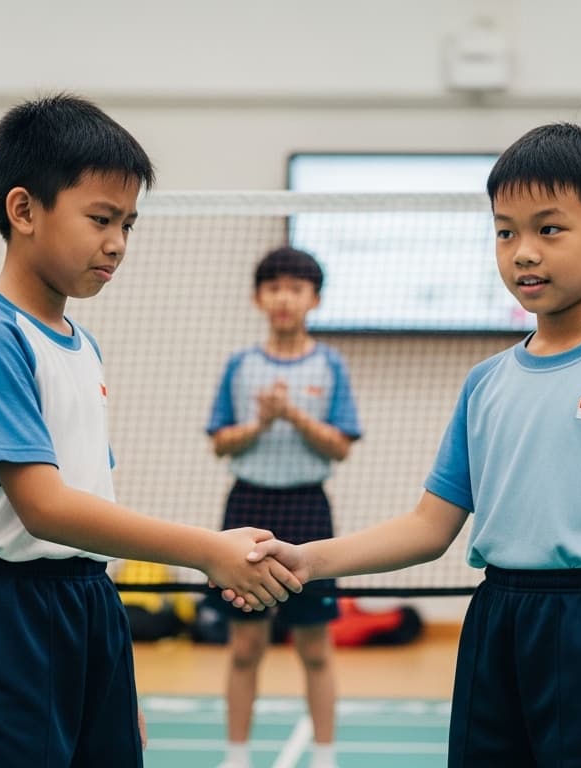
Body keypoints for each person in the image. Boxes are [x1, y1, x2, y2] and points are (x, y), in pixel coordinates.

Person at [242, 123, 581, 768]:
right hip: (496, 620)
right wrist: (308, 561)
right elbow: (429, 526)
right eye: (505, 231)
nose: (523, 252)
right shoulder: (485, 382)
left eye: (549, 229)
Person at [0, 93, 301, 768]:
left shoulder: (81, 345)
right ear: (24, 210)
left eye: (128, 223)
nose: (118, 242)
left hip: (86, 603)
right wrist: (206, 549)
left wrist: (107, 666)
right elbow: (45, 507)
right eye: (101, 218)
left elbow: (91, 500)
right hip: (1, 617)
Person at [204, 246, 362, 768]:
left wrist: (291, 414)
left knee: (314, 646)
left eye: (295, 288)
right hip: (248, 507)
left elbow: (340, 446)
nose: (284, 298)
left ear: (313, 299)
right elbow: (221, 442)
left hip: (308, 510)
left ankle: (324, 754)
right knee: (246, 645)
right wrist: (260, 424)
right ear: (258, 297)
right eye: (274, 287)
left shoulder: (329, 364)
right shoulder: (241, 365)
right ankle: (237, 754)